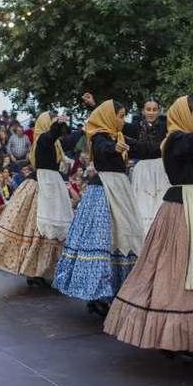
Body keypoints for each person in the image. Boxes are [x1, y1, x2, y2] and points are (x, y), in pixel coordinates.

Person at [104, 96, 193, 363]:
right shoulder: (175, 140)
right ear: (184, 115)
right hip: (181, 211)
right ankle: (172, 335)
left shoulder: (190, 141)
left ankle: (180, 336)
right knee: (176, 271)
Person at [53, 100, 144, 316]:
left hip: (120, 191)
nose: (122, 120)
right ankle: (98, 295)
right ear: (110, 117)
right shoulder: (99, 137)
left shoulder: (120, 137)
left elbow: (143, 147)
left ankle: (110, 293)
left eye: (123, 116)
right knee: (102, 240)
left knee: (122, 239)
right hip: (103, 192)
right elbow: (103, 148)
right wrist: (114, 147)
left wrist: (163, 147)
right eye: (120, 116)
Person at [0, 112, 71, 285]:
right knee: (35, 229)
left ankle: (43, 270)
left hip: (52, 185)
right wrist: (58, 124)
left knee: (47, 232)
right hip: (41, 185)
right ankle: (33, 272)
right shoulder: (43, 139)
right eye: (51, 121)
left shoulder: (54, 142)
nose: (54, 124)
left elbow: (66, 137)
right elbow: (52, 135)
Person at [128, 98, 171, 233]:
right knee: (142, 200)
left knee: (160, 198)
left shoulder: (165, 127)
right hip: (142, 168)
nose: (151, 113)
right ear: (143, 111)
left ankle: (161, 232)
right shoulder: (135, 127)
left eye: (154, 110)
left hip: (160, 167)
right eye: (148, 109)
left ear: (159, 111)